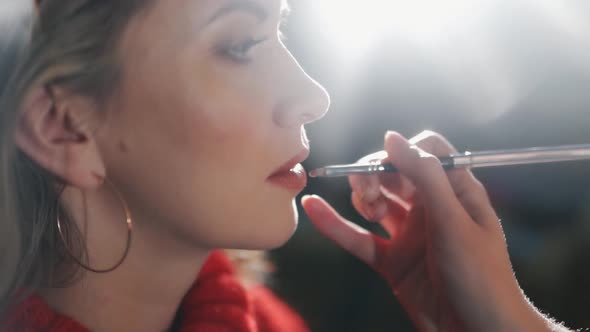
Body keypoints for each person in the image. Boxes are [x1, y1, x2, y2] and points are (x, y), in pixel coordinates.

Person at [0, 0, 574, 331]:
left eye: (280, 30)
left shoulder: (266, 322)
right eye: (239, 46)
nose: (313, 95)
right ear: (64, 129)